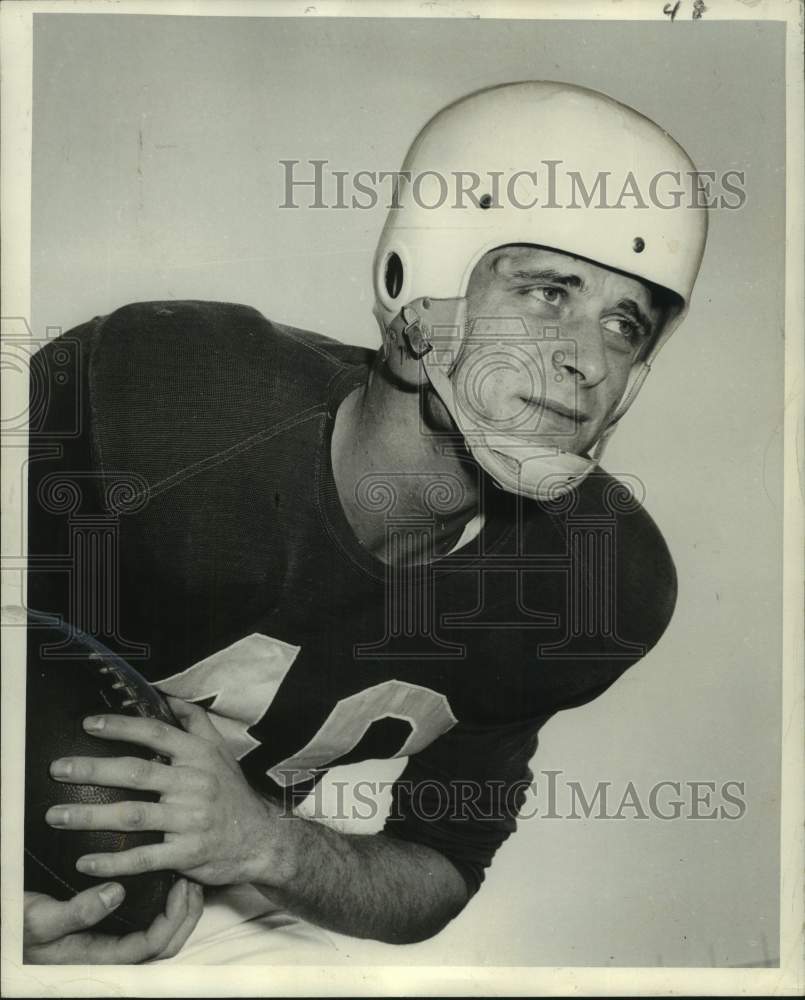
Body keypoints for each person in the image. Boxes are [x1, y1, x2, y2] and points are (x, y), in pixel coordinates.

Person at [23, 81, 707, 964]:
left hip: (222, 881)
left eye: (623, 325)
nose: (584, 360)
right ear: (415, 298)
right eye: (546, 292)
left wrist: (265, 844)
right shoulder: (172, 403)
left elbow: (439, 871)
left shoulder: (591, 580)